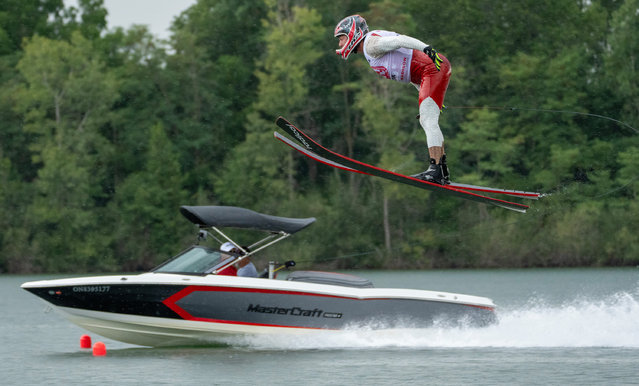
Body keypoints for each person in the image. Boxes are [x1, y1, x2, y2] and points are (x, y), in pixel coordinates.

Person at [334, 15, 451, 185]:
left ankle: (435, 170)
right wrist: (427, 94)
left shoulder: (371, 45)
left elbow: (400, 40)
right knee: (428, 120)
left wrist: (426, 48)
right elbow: (410, 71)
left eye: (341, 38)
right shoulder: (369, 49)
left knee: (428, 120)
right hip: (429, 73)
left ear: (353, 33)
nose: (339, 44)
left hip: (432, 69)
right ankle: (442, 170)